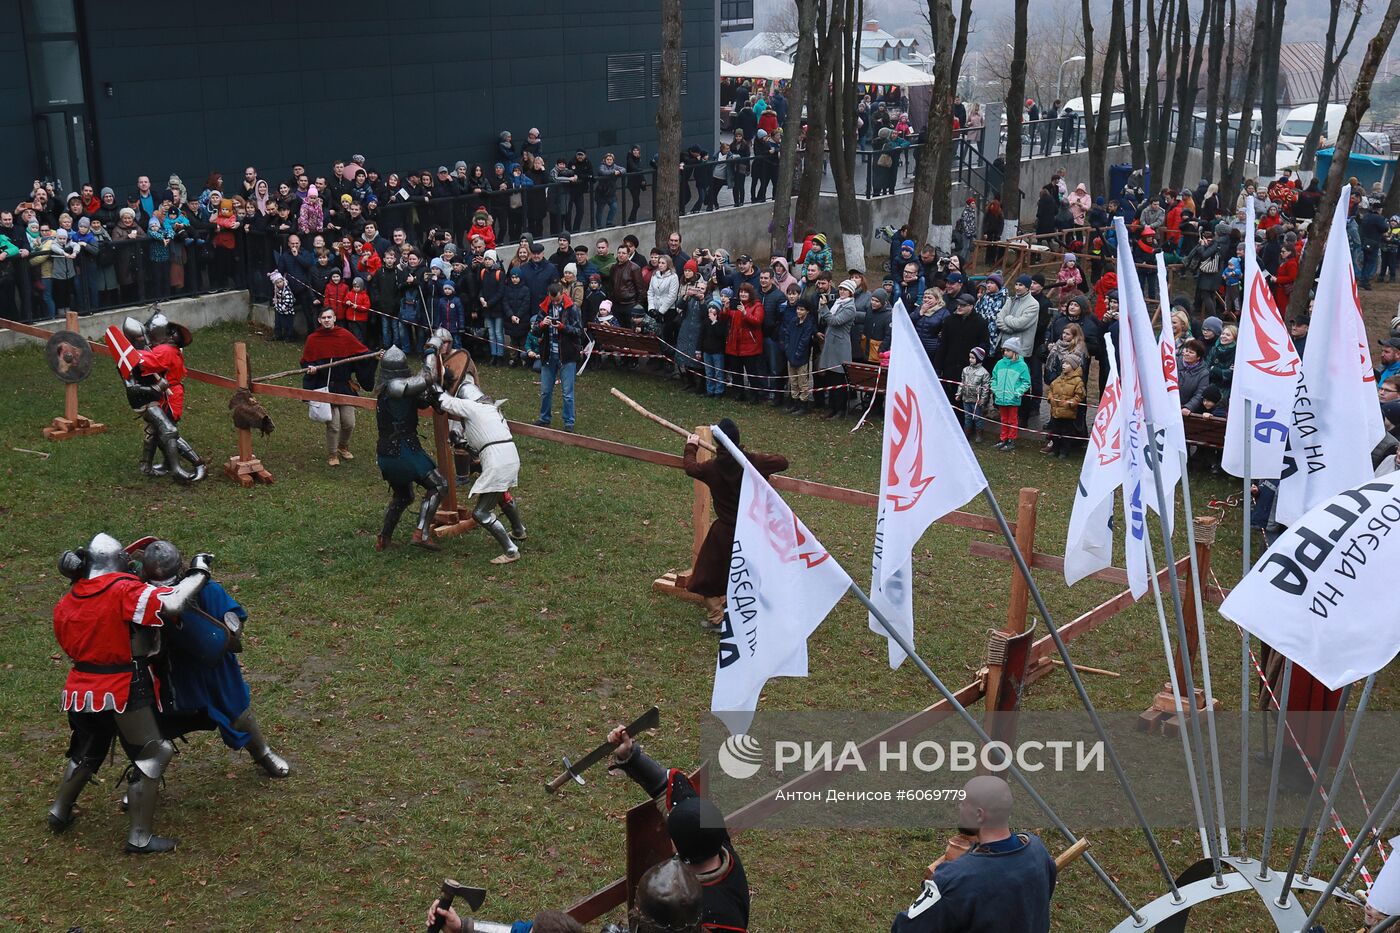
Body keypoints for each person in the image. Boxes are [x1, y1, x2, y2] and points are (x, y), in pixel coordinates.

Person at [48, 533, 212, 853]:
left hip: (81, 688)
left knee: (88, 751)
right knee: (153, 753)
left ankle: (59, 811)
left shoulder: (71, 597)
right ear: (117, 562)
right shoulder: (122, 590)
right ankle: (140, 838)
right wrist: (199, 572)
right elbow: (173, 603)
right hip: (124, 685)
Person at [132, 540, 289, 777]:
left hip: (215, 668)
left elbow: (233, 620)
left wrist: (226, 635)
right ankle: (143, 779)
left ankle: (263, 753)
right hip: (174, 671)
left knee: (238, 713)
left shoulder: (207, 590)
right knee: (155, 728)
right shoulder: (145, 599)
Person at [608, 720, 751, 931]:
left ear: (675, 844)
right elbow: (667, 788)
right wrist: (629, 754)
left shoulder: (720, 919)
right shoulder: (715, 841)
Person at [890, 775, 1056, 932]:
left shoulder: (957, 879)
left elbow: (905, 928)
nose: (959, 807)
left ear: (979, 815)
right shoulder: (1037, 851)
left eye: (963, 803)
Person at [423, 334, 527, 564]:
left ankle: (511, 550)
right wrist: (462, 444)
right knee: (499, 495)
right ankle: (519, 530)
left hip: (497, 461)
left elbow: (438, 397)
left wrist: (431, 352)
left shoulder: (470, 407)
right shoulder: (492, 409)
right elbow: (483, 437)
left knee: (481, 513)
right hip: (508, 456)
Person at [682, 418, 787, 630]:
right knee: (743, 574)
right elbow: (782, 461)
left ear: (719, 443)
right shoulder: (751, 462)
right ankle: (735, 616)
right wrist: (754, 458)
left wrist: (691, 446)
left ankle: (718, 617)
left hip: (724, 532)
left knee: (705, 576)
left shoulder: (712, 468)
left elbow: (691, 468)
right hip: (751, 531)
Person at [373, 346, 448, 552]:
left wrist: (437, 391)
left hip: (387, 453)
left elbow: (425, 401)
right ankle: (421, 534)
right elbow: (427, 376)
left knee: (404, 496)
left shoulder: (395, 389)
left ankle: (384, 539)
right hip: (402, 451)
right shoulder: (394, 387)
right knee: (439, 485)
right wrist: (432, 350)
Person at [117, 311, 206, 483]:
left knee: (168, 432)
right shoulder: (169, 349)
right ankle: (160, 464)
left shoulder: (166, 350)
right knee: (157, 431)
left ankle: (198, 463)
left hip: (170, 396)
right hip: (167, 394)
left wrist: (135, 354)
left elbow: (148, 362)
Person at [303, 308, 375, 466]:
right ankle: (332, 453)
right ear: (319, 320)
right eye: (324, 317)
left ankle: (343, 446)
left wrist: (374, 356)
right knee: (334, 425)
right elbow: (306, 361)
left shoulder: (344, 335)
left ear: (335, 318)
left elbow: (361, 353)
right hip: (326, 387)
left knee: (349, 423)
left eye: (330, 317)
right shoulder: (313, 339)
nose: (327, 320)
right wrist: (312, 368)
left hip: (345, 387)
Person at [531, 282, 583, 431]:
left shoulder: (572, 308)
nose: (554, 302)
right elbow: (534, 331)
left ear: (563, 294)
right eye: (552, 300)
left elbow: (579, 331)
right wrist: (542, 324)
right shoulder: (544, 307)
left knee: (567, 392)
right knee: (546, 390)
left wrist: (563, 327)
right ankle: (544, 418)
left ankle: (569, 422)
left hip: (567, 355)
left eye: (557, 300)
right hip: (549, 354)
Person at [991, 337, 1031, 451]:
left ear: (1015, 352)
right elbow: (994, 378)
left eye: (1008, 350)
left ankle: (1011, 439)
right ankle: (1003, 438)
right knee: (1003, 419)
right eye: (1004, 350)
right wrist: (995, 389)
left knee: (1012, 420)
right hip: (1001, 398)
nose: (1005, 352)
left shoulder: (1022, 366)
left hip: (1013, 398)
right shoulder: (999, 363)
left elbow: (1026, 382)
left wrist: (1018, 392)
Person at [1045, 359, 1086, 459]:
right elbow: (1051, 388)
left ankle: (1064, 451)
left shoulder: (1078, 381)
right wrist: (1050, 397)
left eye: (1067, 363)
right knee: (1055, 432)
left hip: (1068, 414)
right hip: (1056, 412)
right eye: (1063, 363)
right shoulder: (1059, 378)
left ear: (1073, 366)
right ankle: (1055, 449)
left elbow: (1080, 395)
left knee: (1066, 434)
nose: (1063, 365)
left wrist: (1070, 403)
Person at [957, 347, 991, 442]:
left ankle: (979, 434)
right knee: (967, 416)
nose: (970, 359)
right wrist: (959, 393)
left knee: (977, 417)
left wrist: (983, 399)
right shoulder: (965, 370)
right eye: (970, 357)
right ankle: (966, 433)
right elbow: (962, 382)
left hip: (976, 400)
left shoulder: (984, 373)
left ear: (979, 359)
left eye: (973, 358)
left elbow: (985, 388)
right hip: (966, 398)